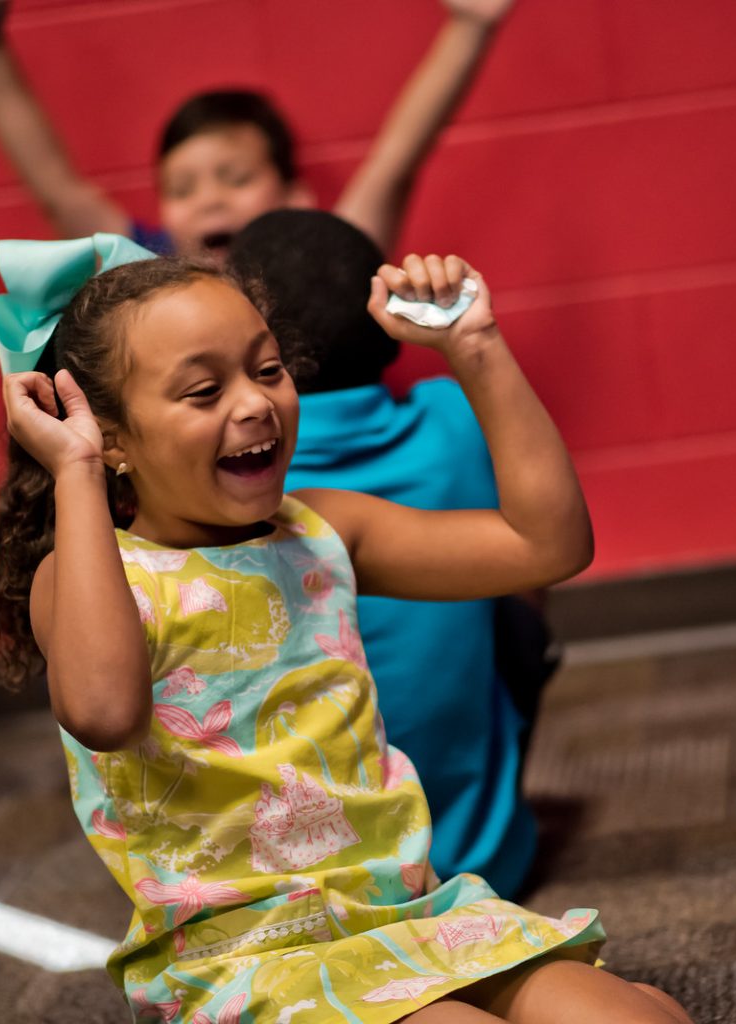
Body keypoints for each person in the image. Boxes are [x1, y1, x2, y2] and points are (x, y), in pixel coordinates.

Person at [0, 234, 693, 1023]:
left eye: (267, 369)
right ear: (112, 437)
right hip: (248, 959)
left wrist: (476, 346)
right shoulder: (88, 578)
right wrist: (75, 471)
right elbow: (103, 713)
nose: (254, 403)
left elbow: (548, 546)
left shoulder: (322, 530)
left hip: (408, 915)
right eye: (204, 391)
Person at [228, 209, 545, 900]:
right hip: (491, 861)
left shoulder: (235, 479)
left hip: (328, 893)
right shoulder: (456, 416)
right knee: (519, 605)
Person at [0, 0, 513, 261]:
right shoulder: (147, 267)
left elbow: (394, 166)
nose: (209, 200)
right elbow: (60, 193)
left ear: (296, 199)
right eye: (181, 189)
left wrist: (470, 26)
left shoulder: (325, 264)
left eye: (236, 177)